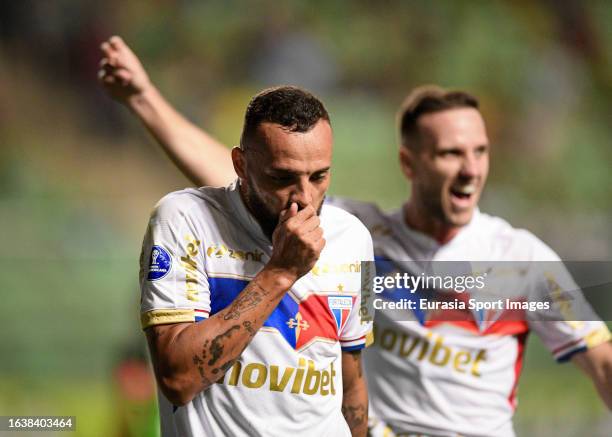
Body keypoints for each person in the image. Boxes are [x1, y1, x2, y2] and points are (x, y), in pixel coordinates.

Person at [100, 36, 612, 437]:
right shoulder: (357, 235)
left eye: (479, 152)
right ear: (409, 163)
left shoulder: (522, 263)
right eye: (450, 154)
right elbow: (244, 180)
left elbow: (603, 361)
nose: (469, 169)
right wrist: (144, 100)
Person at [135, 83, 374, 436]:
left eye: (319, 176)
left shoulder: (354, 238)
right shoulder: (184, 219)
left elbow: (350, 383)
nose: (305, 198)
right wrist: (281, 272)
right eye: (282, 178)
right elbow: (178, 378)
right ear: (241, 164)